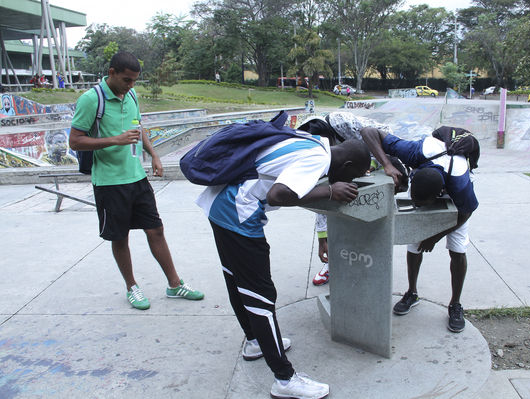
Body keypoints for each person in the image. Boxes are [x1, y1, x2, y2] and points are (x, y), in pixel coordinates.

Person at [197, 132, 370, 399]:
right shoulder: (317, 161)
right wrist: (329, 191)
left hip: (220, 202)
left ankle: (254, 342)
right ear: (346, 167)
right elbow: (278, 194)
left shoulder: (315, 140)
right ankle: (285, 379)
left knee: (235, 278)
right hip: (238, 213)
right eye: (353, 176)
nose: (350, 181)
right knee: (261, 297)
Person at [69, 51, 204, 310]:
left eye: (134, 81)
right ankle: (132, 287)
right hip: (109, 182)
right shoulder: (90, 100)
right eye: (126, 80)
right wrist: (115, 140)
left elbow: (138, 127)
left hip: (137, 177)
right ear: (111, 73)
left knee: (156, 230)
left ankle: (174, 284)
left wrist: (153, 155)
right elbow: (75, 140)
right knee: (120, 238)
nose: (131, 85)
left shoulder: (130, 95)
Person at [360, 126, 478, 333]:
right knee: (414, 243)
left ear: (438, 194)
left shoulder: (460, 183)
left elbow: (466, 213)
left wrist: (434, 236)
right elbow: (368, 131)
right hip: (428, 174)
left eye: (422, 203)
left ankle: (455, 305)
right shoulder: (414, 151)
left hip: (456, 205)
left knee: (458, 250)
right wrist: (386, 164)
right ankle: (412, 293)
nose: (419, 206)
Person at [297, 112, 408, 286]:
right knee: (336, 200)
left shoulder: (340, 121)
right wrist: (322, 237)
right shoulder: (312, 153)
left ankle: (373, 260)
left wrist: (379, 163)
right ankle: (333, 262)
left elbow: (375, 133)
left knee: (372, 207)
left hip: (377, 158)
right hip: (349, 164)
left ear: (330, 137)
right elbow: (321, 191)